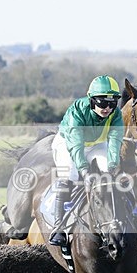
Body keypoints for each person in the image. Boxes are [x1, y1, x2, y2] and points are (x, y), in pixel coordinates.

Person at [48, 75, 125, 246]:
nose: (107, 108)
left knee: (114, 175)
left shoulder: (116, 115)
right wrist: (84, 170)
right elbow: (75, 145)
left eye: (112, 103)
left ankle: (133, 219)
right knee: (69, 175)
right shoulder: (78, 111)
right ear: (91, 100)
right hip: (68, 143)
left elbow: (115, 143)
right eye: (102, 103)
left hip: (97, 144)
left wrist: (112, 169)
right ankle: (58, 227)